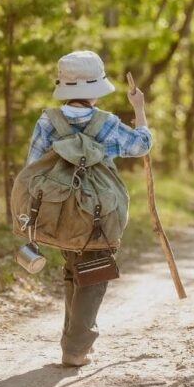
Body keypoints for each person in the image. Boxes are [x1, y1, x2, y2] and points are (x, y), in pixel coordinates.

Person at [25, 50, 152, 367]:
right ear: (96, 88)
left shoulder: (47, 121)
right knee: (94, 275)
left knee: (73, 270)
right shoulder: (106, 123)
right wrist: (139, 109)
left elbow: (32, 167)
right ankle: (76, 348)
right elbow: (141, 145)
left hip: (58, 210)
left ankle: (73, 340)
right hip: (97, 213)